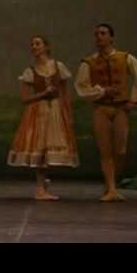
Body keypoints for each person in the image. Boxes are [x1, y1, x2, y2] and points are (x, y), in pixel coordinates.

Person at [75, 24, 137, 202]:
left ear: (111, 38)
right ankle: (111, 188)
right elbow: (81, 86)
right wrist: (100, 92)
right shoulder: (89, 62)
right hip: (101, 108)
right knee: (105, 151)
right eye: (97, 34)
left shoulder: (126, 58)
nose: (99, 37)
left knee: (120, 150)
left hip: (121, 108)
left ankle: (113, 182)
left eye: (103, 33)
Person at [8, 36, 79, 201]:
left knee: (49, 150)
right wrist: (43, 94)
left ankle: (43, 183)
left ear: (46, 47)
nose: (34, 46)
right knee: (40, 149)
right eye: (32, 44)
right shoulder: (30, 71)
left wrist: (68, 114)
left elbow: (65, 93)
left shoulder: (58, 67)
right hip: (38, 112)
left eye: (37, 44)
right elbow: (25, 98)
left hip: (55, 110)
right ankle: (40, 188)